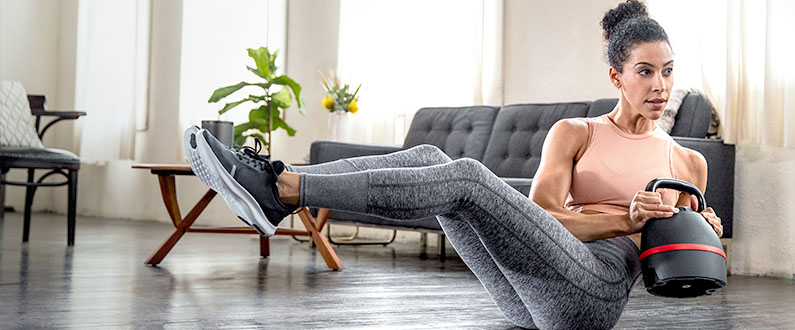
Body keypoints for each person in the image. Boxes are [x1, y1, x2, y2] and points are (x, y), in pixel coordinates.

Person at [182, 1, 722, 329]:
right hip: (525, 298)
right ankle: (277, 189)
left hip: (590, 298)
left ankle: (280, 188)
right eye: (646, 71)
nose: (660, 86)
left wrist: (702, 228)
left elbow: (680, 257)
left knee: (464, 177)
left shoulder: (686, 160)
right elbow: (540, 219)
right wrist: (623, 215)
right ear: (616, 77)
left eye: (668, 72)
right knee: (429, 160)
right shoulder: (575, 133)